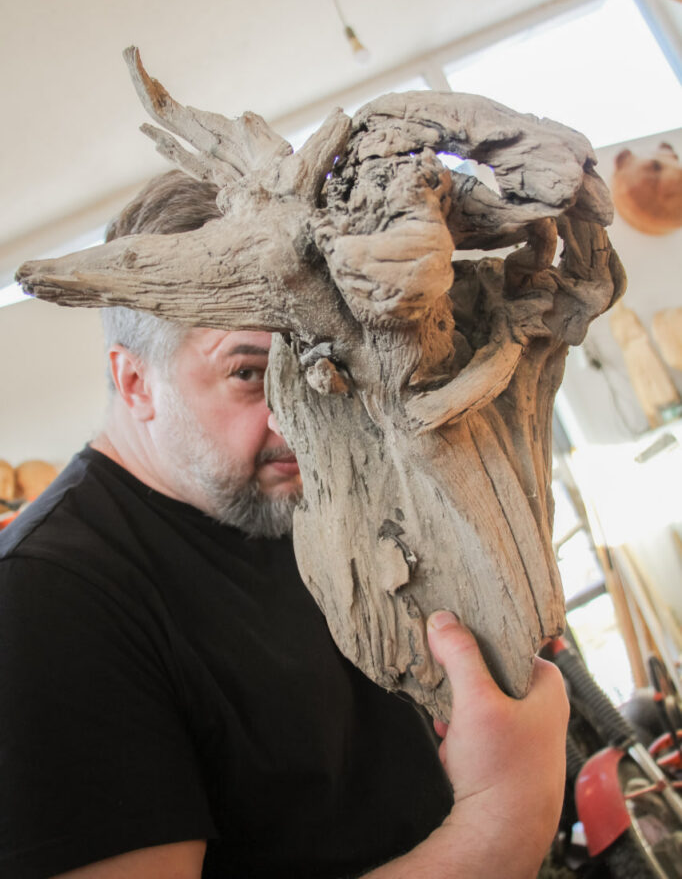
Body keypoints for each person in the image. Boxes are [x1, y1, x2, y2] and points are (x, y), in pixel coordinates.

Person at [0, 170, 569, 879]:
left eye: (317, 363)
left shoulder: (308, 497)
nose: (302, 413)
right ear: (136, 383)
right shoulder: (43, 602)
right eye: (249, 373)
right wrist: (504, 819)